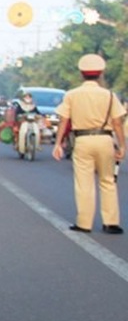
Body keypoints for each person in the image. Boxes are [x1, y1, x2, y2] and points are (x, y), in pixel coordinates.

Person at [52, 53, 126, 233]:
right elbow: (117, 122)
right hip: (105, 139)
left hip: (83, 140)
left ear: (81, 74)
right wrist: (122, 145)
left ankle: (84, 223)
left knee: (84, 183)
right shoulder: (109, 95)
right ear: (100, 73)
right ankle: (111, 222)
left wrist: (58, 143)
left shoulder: (72, 95)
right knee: (108, 181)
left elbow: (63, 120)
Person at [11, 91, 41, 156]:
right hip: (23, 122)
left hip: (32, 122)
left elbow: (38, 113)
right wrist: (20, 116)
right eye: (26, 97)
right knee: (22, 132)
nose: (28, 98)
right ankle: (20, 147)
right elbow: (17, 114)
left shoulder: (33, 106)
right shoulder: (20, 106)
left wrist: (39, 116)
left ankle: (37, 145)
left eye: (29, 97)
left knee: (37, 132)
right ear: (23, 98)